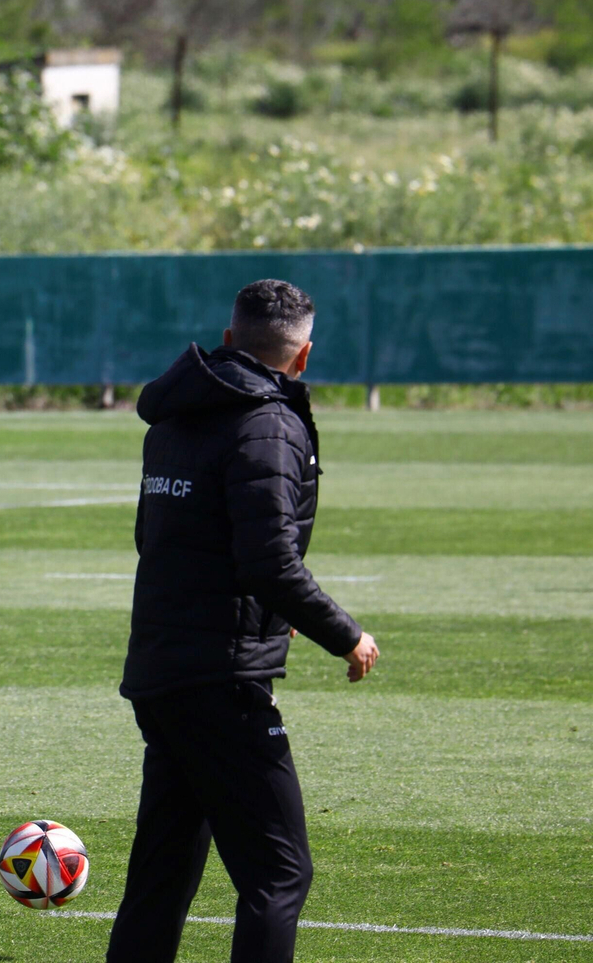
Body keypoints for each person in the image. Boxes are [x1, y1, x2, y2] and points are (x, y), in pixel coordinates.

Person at [106, 279, 381, 963]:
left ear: (229, 339)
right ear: (305, 357)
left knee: (165, 867)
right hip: (220, 677)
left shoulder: (173, 415)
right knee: (280, 872)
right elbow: (268, 563)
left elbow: (164, 539)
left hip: (160, 666)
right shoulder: (270, 423)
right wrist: (346, 634)